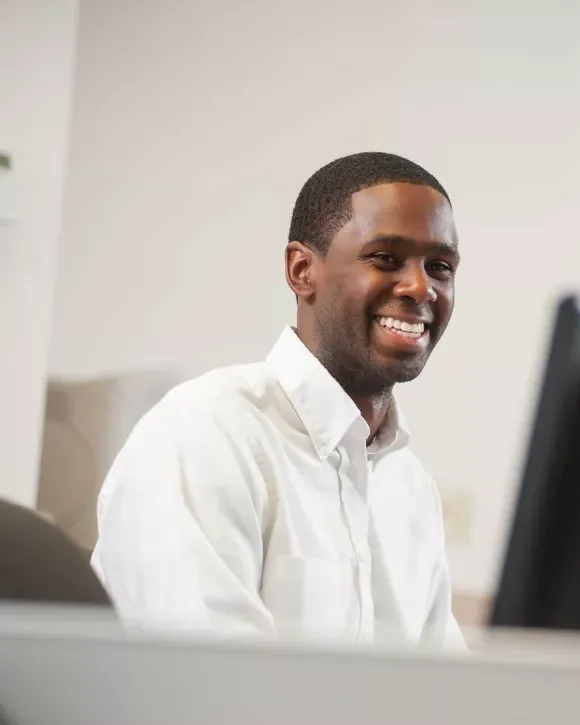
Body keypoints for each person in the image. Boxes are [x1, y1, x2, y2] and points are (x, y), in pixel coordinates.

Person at [92, 152, 463, 646]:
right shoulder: (204, 435)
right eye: (385, 259)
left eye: (440, 266)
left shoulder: (409, 486)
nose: (421, 287)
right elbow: (211, 689)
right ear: (302, 269)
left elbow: (443, 690)